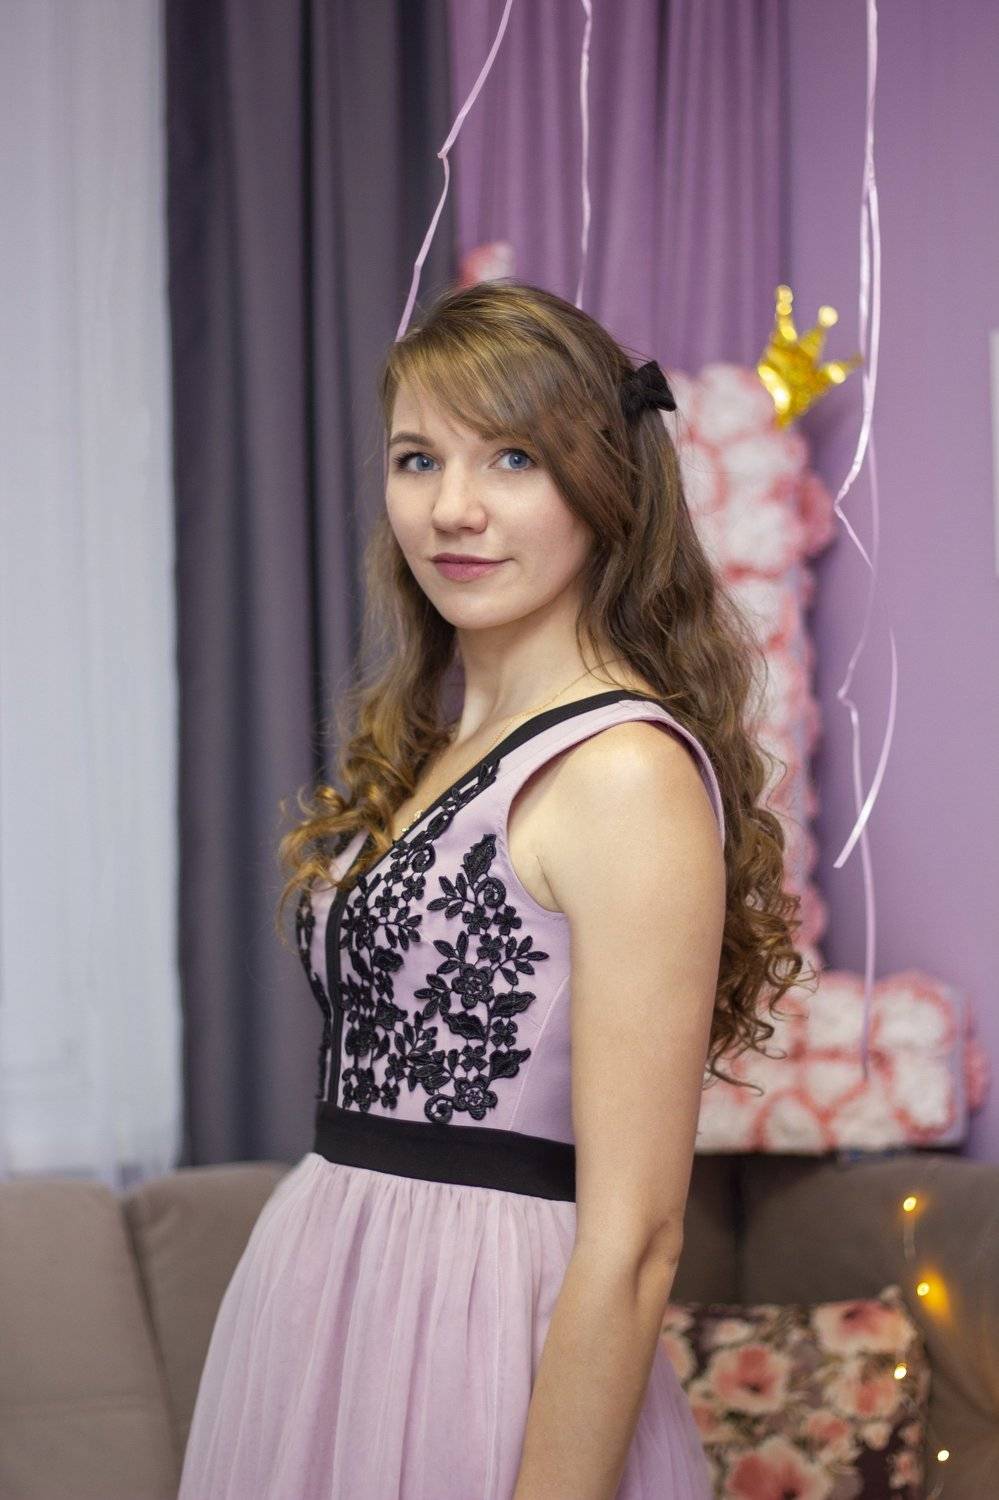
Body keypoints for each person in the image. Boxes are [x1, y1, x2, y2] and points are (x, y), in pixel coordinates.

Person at [177, 279, 811, 1500]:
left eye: (512, 458)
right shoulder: (434, 743)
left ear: (603, 484)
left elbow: (637, 1240)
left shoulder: (623, 771)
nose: (452, 508)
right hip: (325, 1303)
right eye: (418, 458)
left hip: (476, 1336)